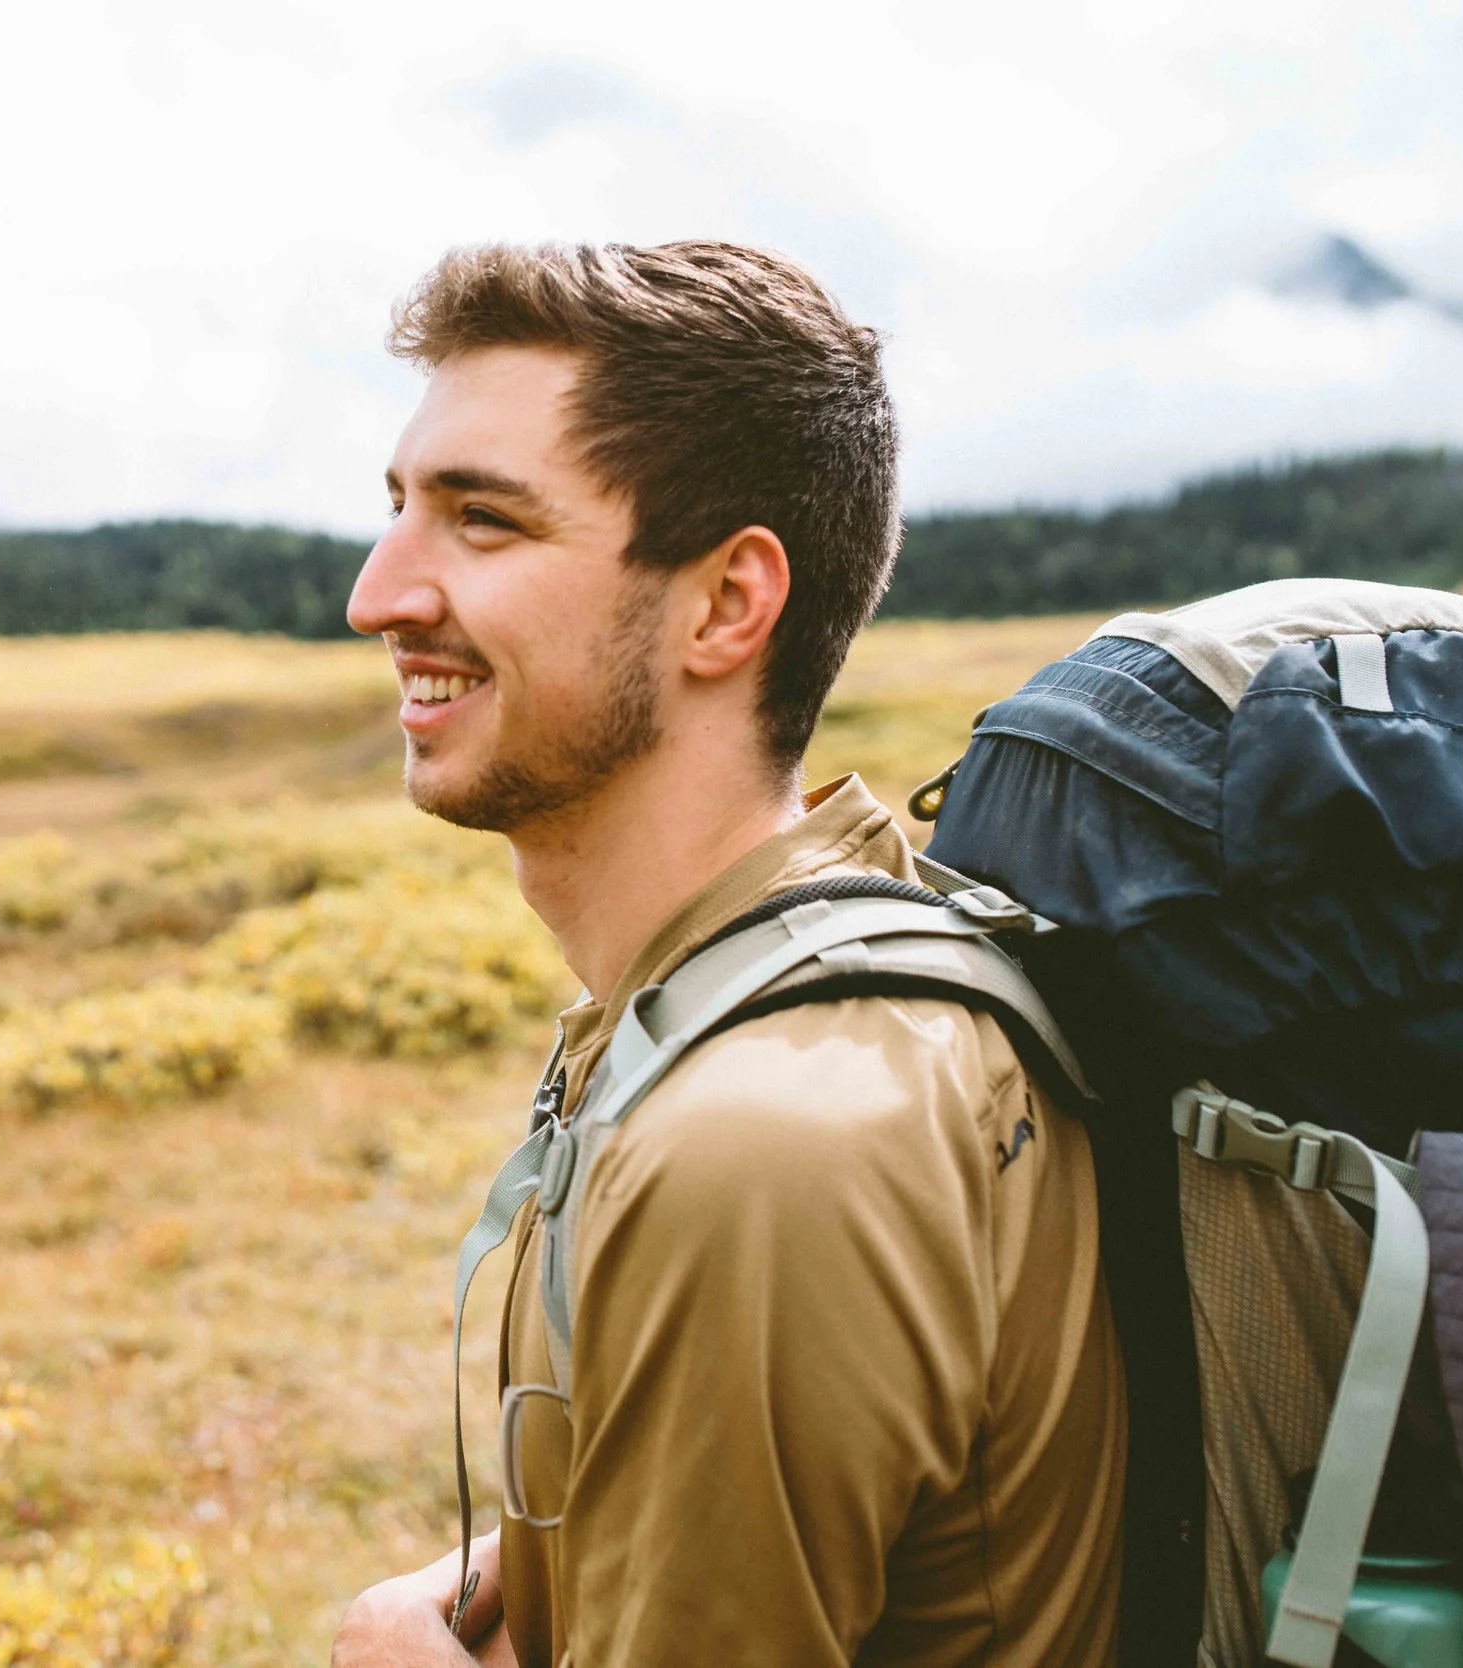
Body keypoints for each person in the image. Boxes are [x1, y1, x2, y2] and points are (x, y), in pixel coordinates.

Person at [328, 242, 1125, 1668]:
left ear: (726, 605)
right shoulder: (821, 972)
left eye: (484, 523)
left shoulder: (762, 1143)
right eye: (398, 510)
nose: (378, 595)